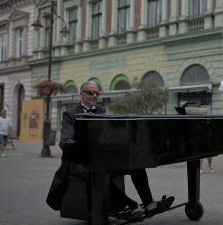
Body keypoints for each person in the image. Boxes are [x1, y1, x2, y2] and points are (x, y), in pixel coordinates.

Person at [46, 81, 174, 221]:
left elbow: (107, 135)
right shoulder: (69, 114)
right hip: (78, 162)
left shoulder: (101, 110)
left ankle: (149, 203)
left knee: (136, 164)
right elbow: (65, 140)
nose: (94, 95)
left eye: (96, 93)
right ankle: (129, 206)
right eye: (90, 92)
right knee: (98, 171)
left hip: (102, 158)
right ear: (81, 94)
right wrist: (79, 148)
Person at [181, 101, 214, 174]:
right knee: (200, 154)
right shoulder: (198, 119)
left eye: (205, 113)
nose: (205, 114)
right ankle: (201, 168)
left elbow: (210, 128)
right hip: (199, 137)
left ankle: (209, 166)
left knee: (209, 154)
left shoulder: (208, 119)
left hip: (207, 137)